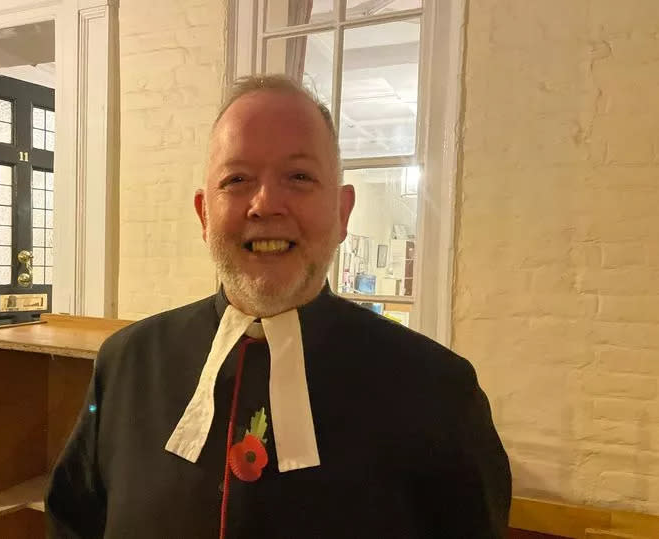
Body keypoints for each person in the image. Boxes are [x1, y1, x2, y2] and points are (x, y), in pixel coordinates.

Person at [46, 75, 511, 538]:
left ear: (343, 212)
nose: (265, 203)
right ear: (204, 214)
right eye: (237, 179)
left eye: (300, 177)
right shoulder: (125, 364)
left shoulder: (440, 390)